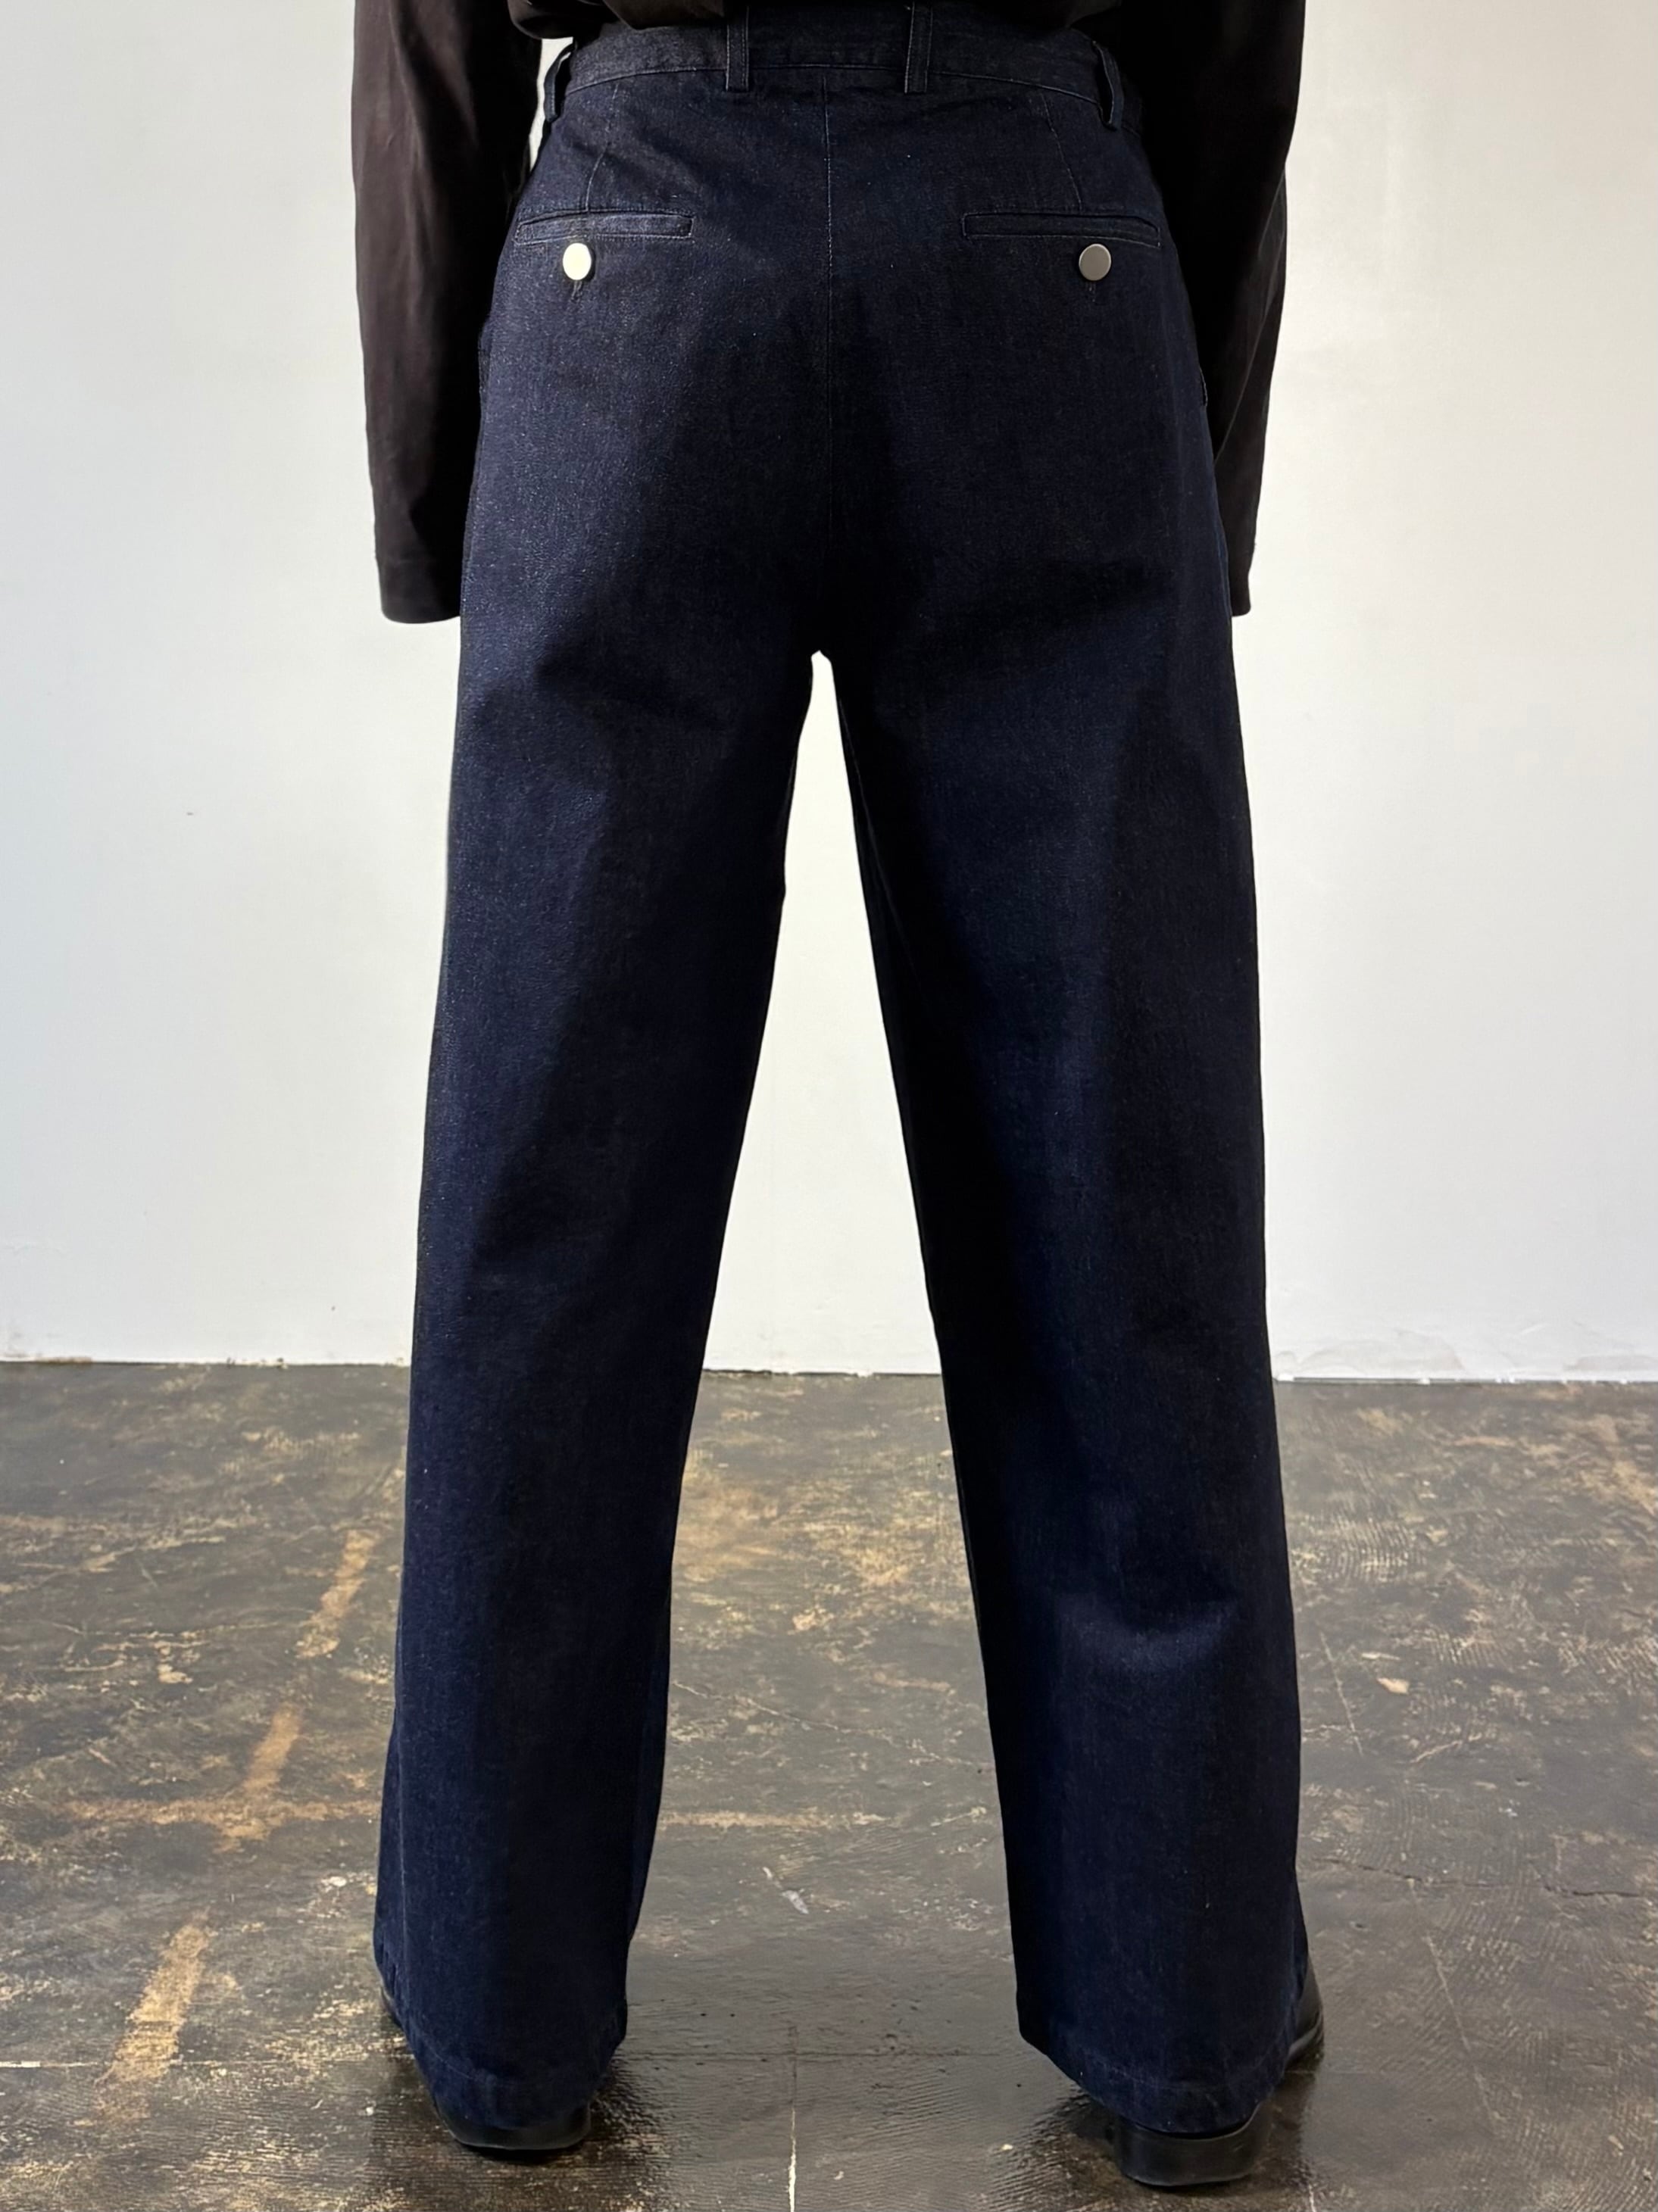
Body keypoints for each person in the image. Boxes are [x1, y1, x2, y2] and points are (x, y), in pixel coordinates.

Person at [350, 0, 1319, 2185]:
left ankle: (499, 2013)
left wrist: (434, 493)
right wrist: (1188, 448)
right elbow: (1231, 28)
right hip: (1044, 246)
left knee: (549, 1206)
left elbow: (425, 22)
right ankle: (1178, 2016)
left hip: (633, 255)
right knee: (1121, 1179)